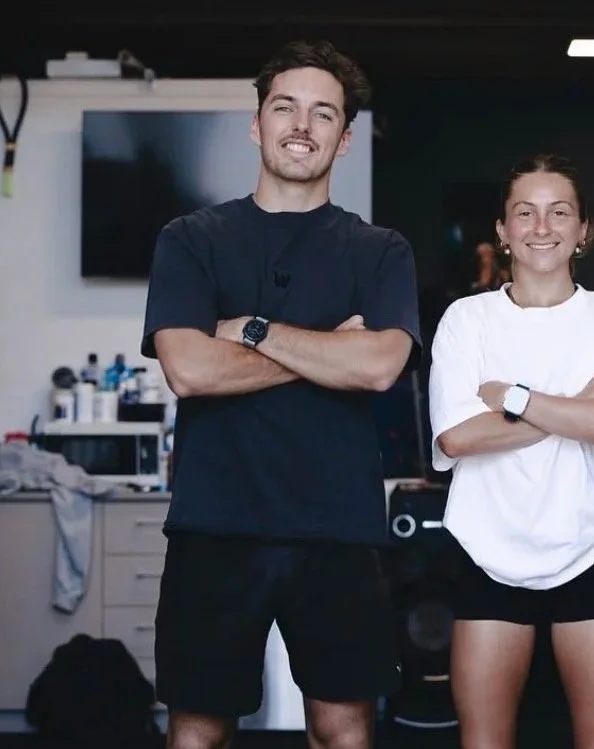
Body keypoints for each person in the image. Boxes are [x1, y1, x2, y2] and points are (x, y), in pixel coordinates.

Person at [140, 40, 421, 749]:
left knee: (342, 728)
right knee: (198, 729)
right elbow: (191, 369)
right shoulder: (190, 239)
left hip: (337, 527)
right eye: (285, 107)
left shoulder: (380, 250)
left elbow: (382, 365)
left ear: (345, 138)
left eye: (323, 113)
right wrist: (329, 346)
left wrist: (254, 331)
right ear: (256, 124)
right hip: (215, 525)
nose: (302, 124)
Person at [428, 153, 594, 748]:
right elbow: (457, 437)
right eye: (524, 213)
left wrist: (515, 398)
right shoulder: (467, 320)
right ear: (502, 232)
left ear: (585, 230)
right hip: (486, 548)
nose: (542, 226)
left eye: (560, 212)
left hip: (592, 545)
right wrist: (578, 408)